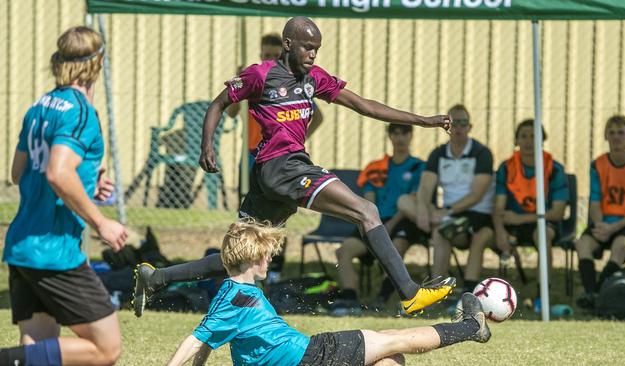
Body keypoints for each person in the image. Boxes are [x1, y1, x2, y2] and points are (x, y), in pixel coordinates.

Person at [133, 16, 455, 317]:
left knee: (240, 258)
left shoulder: (314, 79)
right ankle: (409, 292)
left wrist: (424, 121)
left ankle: (156, 278)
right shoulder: (260, 75)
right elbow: (219, 104)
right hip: (283, 168)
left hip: (273, 177)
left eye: (317, 49)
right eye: (307, 48)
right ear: (288, 45)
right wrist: (207, 145)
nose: (313, 55)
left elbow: (364, 105)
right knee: (366, 211)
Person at [166, 220, 491, 366]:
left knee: (390, 359)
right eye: (265, 254)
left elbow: (207, 339)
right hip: (314, 356)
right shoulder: (235, 298)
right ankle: (471, 327)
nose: (269, 259)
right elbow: (196, 339)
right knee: (395, 341)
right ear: (252, 258)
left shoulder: (231, 291)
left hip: (310, 355)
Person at [0, 26, 127, 366]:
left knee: (38, 348)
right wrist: (102, 222)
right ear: (97, 63)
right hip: (54, 252)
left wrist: (88, 179)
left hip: (23, 245)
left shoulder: (39, 106)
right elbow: (57, 173)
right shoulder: (81, 112)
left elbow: (18, 172)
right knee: (107, 348)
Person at [226, 32, 324, 283]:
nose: (269, 58)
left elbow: (318, 115)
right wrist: (238, 84)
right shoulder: (256, 79)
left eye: (273, 54)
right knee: (249, 215)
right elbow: (231, 112)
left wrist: (297, 137)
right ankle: (246, 262)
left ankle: (274, 264)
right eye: (265, 54)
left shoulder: (292, 83)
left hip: (278, 154)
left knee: (279, 211)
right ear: (260, 54)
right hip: (253, 152)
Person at [398, 104, 494, 296]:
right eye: (454, 122)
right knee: (404, 201)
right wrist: (424, 213)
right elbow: (425, 187)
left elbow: (476, 195)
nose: (458, 127)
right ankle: (438, 292)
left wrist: (447, 212)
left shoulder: (481, 153)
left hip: (474, 213)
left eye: (463, 123)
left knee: (441, 231)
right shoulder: (439, 153)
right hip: (444, 214)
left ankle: (441, 290)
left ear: (470, 127)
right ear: (447, 127)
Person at [333, 123, 426, 315]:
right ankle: (350, 300)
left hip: (403, 220)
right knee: (343, 251)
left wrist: (389, 225)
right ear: (390, 136)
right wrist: (376, 225)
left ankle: (381, 299)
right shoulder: (376, 168)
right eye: (396, 133)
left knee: (396, 247)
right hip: (375, 221)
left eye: (404, 133)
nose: (400, 138)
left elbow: (415, 200)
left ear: (411, 136)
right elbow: (367, 203)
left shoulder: (419, 167)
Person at [576, 115, 625, 309]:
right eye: (612, 132)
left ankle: (599, 295)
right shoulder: (598, 165)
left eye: (621, 133)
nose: (616, 137)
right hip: (603, 222)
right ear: (605, 136)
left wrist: (614, 227)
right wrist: (600, 225)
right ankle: (591, 293)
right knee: (583, 244)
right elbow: (594, 202)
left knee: (620, 244)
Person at [492, 119, 568, 306]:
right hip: (513, 224)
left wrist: (521, 218)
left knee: (543, 235)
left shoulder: (554, 169)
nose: (528, 141)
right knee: (485, 235)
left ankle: (543, 293)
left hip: (543, 222)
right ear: (516, 140)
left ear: (542, 139)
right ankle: (485, 295)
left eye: (534, 136)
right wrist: (500, 231)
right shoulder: (507, 167)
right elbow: (498, 207)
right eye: (523, 136)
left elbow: (557, 213)